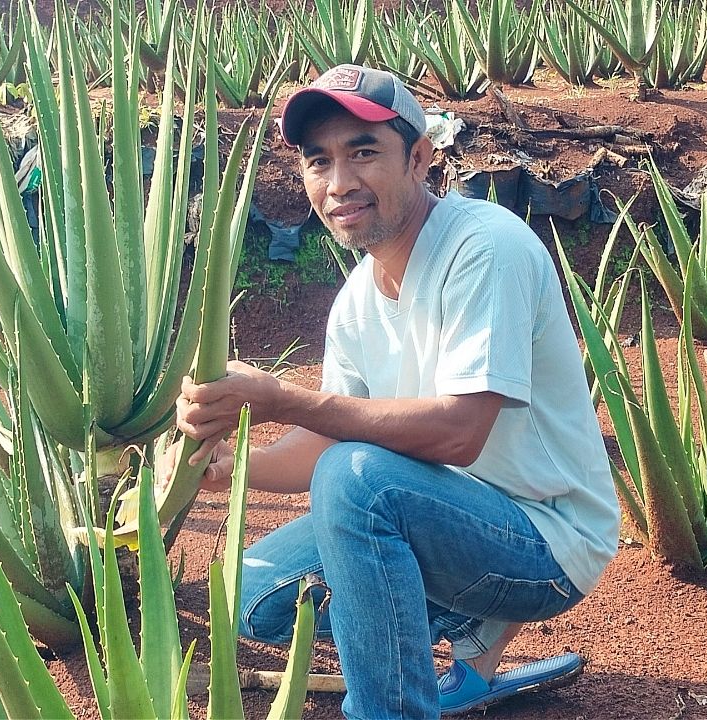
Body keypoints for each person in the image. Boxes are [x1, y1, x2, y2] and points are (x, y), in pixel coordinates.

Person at [173, 64, 620, 719]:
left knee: (358, 481)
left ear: (419, 157)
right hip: (450, 519)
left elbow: (457, 434)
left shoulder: (484, 247)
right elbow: (324, 437)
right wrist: (228, 469)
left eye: (362, 152)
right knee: (253, 594)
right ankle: (472, 644)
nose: (340, 182)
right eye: (318, 160)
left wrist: (278, 398)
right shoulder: (356, 300)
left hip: (546, 543)